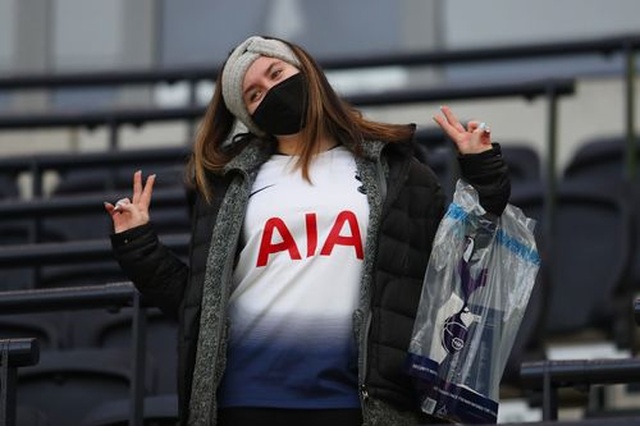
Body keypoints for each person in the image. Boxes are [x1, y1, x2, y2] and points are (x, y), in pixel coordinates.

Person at [104, 35, 510, 426]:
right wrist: (137, 244)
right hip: (246, 399)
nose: (269, 90)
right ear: (249, 117)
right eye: (254, 94)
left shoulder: (398, 170)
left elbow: (456, 258)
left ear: (306, 70)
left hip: (359, 401)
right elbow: (199, 308)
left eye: (275, 73)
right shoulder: (227, 185)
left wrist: (482, 169)